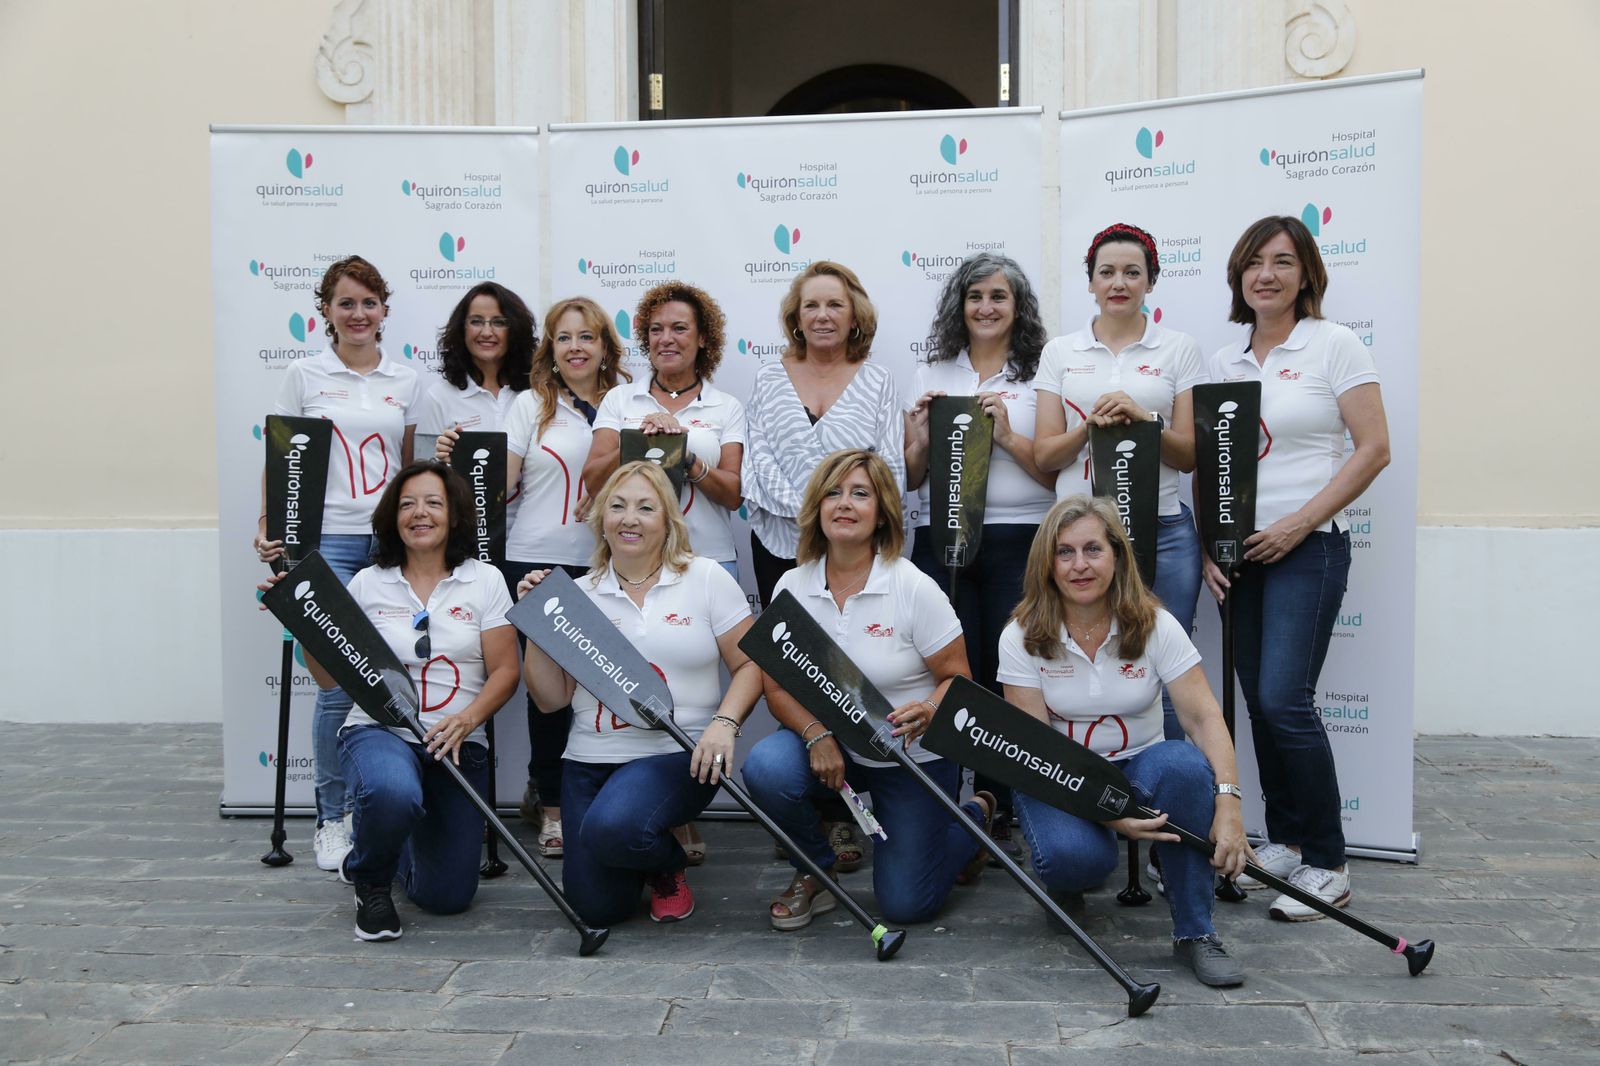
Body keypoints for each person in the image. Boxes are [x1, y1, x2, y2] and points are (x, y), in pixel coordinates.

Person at [1203, 215, 1390, 920]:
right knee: (1259, 702)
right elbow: (1212, 466)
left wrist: (1298, 524)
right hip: (1241, 554)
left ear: (1307, 272)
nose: (1267, 275)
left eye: (1283, 261)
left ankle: (1328, 862)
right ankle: (1284, 842)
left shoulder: (1333, 344)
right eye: (1254, 262)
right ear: (1238, 276)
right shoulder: (1225, 361)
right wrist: (1211, 548)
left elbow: (1374, 449)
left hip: (1308, 548)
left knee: (1285, 699)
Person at [1000, 495, 1250, 987]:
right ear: (1047, 563)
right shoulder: (1021, 635)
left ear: (1117, 555)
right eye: (1065, 552)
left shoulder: (1156, 624)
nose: (1079, 565)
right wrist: (1111, 816)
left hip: (1140, 767)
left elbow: (1203, 718)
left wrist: (1230, 806)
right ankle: (1067, 881)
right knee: (1077, 860)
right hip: (1058, 778)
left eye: (1093, 549)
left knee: (1184, 766)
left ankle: (1196, 932)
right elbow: (1035, 751)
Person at [261, 460, 517, 941]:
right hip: (380, 731)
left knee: (447, 898)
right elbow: (330, 680)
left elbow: (506, 671)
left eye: (433, 503)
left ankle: (380, 844)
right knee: (392, 791)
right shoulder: (367, 583)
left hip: (458, 743)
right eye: (407, 504)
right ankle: (372, 883)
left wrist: (467, 719)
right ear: (392, 518)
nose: (420, 513)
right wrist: (302, 623)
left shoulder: (485, 580)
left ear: (455, 515)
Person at [741, 450, 987, 929]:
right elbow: (777, 685)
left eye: (860, 494)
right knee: (768, 767)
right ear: (817, 508)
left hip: (908, 757)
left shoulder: (912, 586)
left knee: (906, 906)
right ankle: (816, 869)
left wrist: (929, 708)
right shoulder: (792, 584)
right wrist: (816, 734)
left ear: (883, 514)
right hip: (832, 749)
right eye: (833, 493)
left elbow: (958, 680)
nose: (844, 504)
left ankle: (973, 818)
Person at [517, 461, 762, 926]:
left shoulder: (706, 577)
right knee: (596, 909)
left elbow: (751, 664)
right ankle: (642, 851)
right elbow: (551, 700)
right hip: (589, 760)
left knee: (615, 825)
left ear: (668, 520)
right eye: (618, 506)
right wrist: (536, 621)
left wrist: (724, 724)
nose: (630, 519)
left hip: (679, 754)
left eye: (646, 508)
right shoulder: (577, 594)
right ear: (600, 519)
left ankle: (665, 863)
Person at [438, 296, 631, 860]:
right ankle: (551, 805)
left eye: (586, 336)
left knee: (604, 689)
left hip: (609, 564)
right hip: (535, 562)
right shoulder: (530, 404)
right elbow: (500, 485)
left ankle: (607, 797)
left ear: (605, 346)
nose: (575, 347)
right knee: (549, 695)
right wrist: (458, 462)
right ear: (551, 347)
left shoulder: (627, 401)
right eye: (564, 337)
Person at [254, 255, 418, 872]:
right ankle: (332, 818)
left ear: (384, 311)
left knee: (389, 672)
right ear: (326, 310)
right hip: (321, 543)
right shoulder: (304, 373)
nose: (358, 314)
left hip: (389, 543)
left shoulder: (407, 380)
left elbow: (409, 469)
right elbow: (282, 457)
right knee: (335, 684)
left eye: (369, 303)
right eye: (346, 303)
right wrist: (269, 525)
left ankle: (382, 802)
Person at [741, 261, 905, 872]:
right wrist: (811, 517)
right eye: (811, 305)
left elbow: (887, 467)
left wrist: (839, 524)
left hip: (855, 552)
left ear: (855, 314)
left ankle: (847, 813)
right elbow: (757, 462)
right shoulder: (768, 378)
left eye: (835, 304)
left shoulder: (877, 380)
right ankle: (804, 812)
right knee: (795, 676)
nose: (823, 315)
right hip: (779, 546)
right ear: (795, 316)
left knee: (848, 673)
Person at [903, 253, 1057, 863]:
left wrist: (1007, 433)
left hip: (1021, 536)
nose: (986, 307)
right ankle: (945, 796)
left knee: (1006, 668)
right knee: (946, 667)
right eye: (975, 296)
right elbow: (912, 475)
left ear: (1018, 307)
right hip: (942, 535)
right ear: (958, 306)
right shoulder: (931, 371)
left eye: (999, 296)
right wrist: (920, 437)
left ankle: (997, 800)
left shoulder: (1042, 372)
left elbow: (1055, 473)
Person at [1033, 224, 1208, 742]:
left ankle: (1172, 784)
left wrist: (1145, 422)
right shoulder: (1060, 351)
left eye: (1133, 272)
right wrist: (1088, 427)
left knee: (1169, 670)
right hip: (1078, 537)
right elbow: (1045, 455)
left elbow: (1190, 456)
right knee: (1084, 665)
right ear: (1090, 281)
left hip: (1163, 529)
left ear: (1150, 281)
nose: (1119, 283)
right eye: (1106, 272)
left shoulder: (1179, 348)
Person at [583, 281, 746, 580]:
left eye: (679, 329)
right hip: (633, 563)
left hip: (709, 561)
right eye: (656, 330)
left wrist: (685, 456)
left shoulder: (727, 406)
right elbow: (593, 482)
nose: (666, 339)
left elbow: (733, 496)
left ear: (703, 338)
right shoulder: (619, 399)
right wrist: (641, 442)